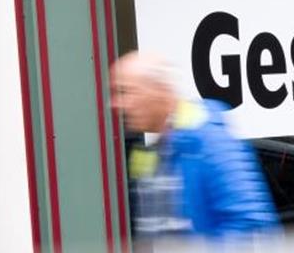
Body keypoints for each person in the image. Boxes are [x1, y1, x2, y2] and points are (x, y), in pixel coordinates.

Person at [110, 51, 280, 238]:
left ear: (159, 90)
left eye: (125, 92)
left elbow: (253, 228)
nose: (117, 104)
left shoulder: (209, 140)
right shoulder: (152, 152)